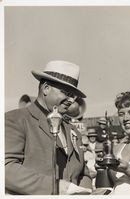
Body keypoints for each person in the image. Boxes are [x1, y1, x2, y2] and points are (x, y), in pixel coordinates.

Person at [5, 60, 92, 195]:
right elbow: (6, 169)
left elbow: (83, 173)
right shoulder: (15, 120)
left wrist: (86, 191)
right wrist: (55, 187)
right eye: (66, 93)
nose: (72, 100)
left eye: (73, 95)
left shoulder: (73, 130)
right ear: (46, 88)